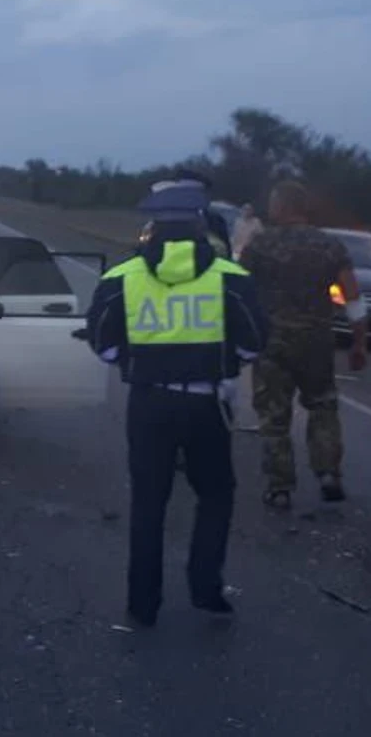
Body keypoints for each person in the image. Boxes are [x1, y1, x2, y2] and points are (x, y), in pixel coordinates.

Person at [87, 182, 266, 627]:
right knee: (216, 495)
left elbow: (101, 342)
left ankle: (143, 604)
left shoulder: (120, 278)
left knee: (149, 503)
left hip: (148, 404)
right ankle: (206, 588)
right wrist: (223, 366)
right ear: (201, 225)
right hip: (207, 405)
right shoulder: (230, 277)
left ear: (151, 229)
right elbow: (255, 341)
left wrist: (134, 362)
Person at [237, 180, 367, 509]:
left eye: (272, 203)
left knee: (273, 416)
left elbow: (241, 293)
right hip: (317, 341)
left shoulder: (260, 245)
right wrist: (359, 342)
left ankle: (280, 487)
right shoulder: (330, 246)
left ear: (281, 207)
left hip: (272, 342)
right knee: (322, 405)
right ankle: (328, 473)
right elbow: (353, 296)